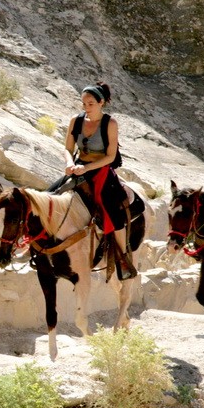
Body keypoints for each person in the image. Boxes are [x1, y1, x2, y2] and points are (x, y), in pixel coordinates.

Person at [57, 82, 135, 279]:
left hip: (100, 171)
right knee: (50, 195)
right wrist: (69, 163)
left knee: (111, 213)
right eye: (84, 104)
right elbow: (67, 148)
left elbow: (110, 156)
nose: (86, 107)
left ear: (101, 102)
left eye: (90, 103)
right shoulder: (76, 120)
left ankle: (122, 258)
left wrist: (87, 167)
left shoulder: (110, 124)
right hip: (78, 169)